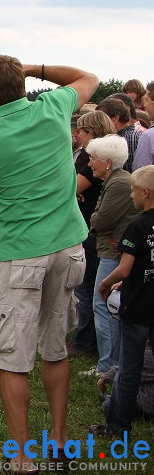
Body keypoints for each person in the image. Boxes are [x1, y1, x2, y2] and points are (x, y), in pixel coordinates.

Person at [0, 57, 98, 474]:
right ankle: (59, 447)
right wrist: (35, 67)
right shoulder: (54, 107)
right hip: (69, 244)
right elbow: (89, 78)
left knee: (11, 356)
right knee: (55, 348)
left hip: (22, 252)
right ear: (22, 81)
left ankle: (22, 460)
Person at [93, 164, 154, 437]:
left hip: (138, 306)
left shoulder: (138, 226)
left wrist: (106, 283)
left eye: (133, 191)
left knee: (130, 367)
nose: (131, 196)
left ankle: (118, 425)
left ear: (146, 193)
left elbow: (126, 268)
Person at [86, 134, 137, 377]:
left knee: (103, 302)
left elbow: (100, 219)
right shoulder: (116, 181)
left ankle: (108, 365)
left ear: (107, 161)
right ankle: (111, 362)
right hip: (110, 249)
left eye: (93, 158)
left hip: (113, 252)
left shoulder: (118, 183)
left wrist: (96, 219)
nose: (89, 163)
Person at [69, 111, 115, 359]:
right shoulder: (100, 159)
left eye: (83, 131)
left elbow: (71, 188)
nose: (79, 135)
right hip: (90, 226)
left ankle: (85, 342)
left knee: (87, 289)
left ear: (94, 132)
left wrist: (73, 191)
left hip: (91, 228)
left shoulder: (94, 160)